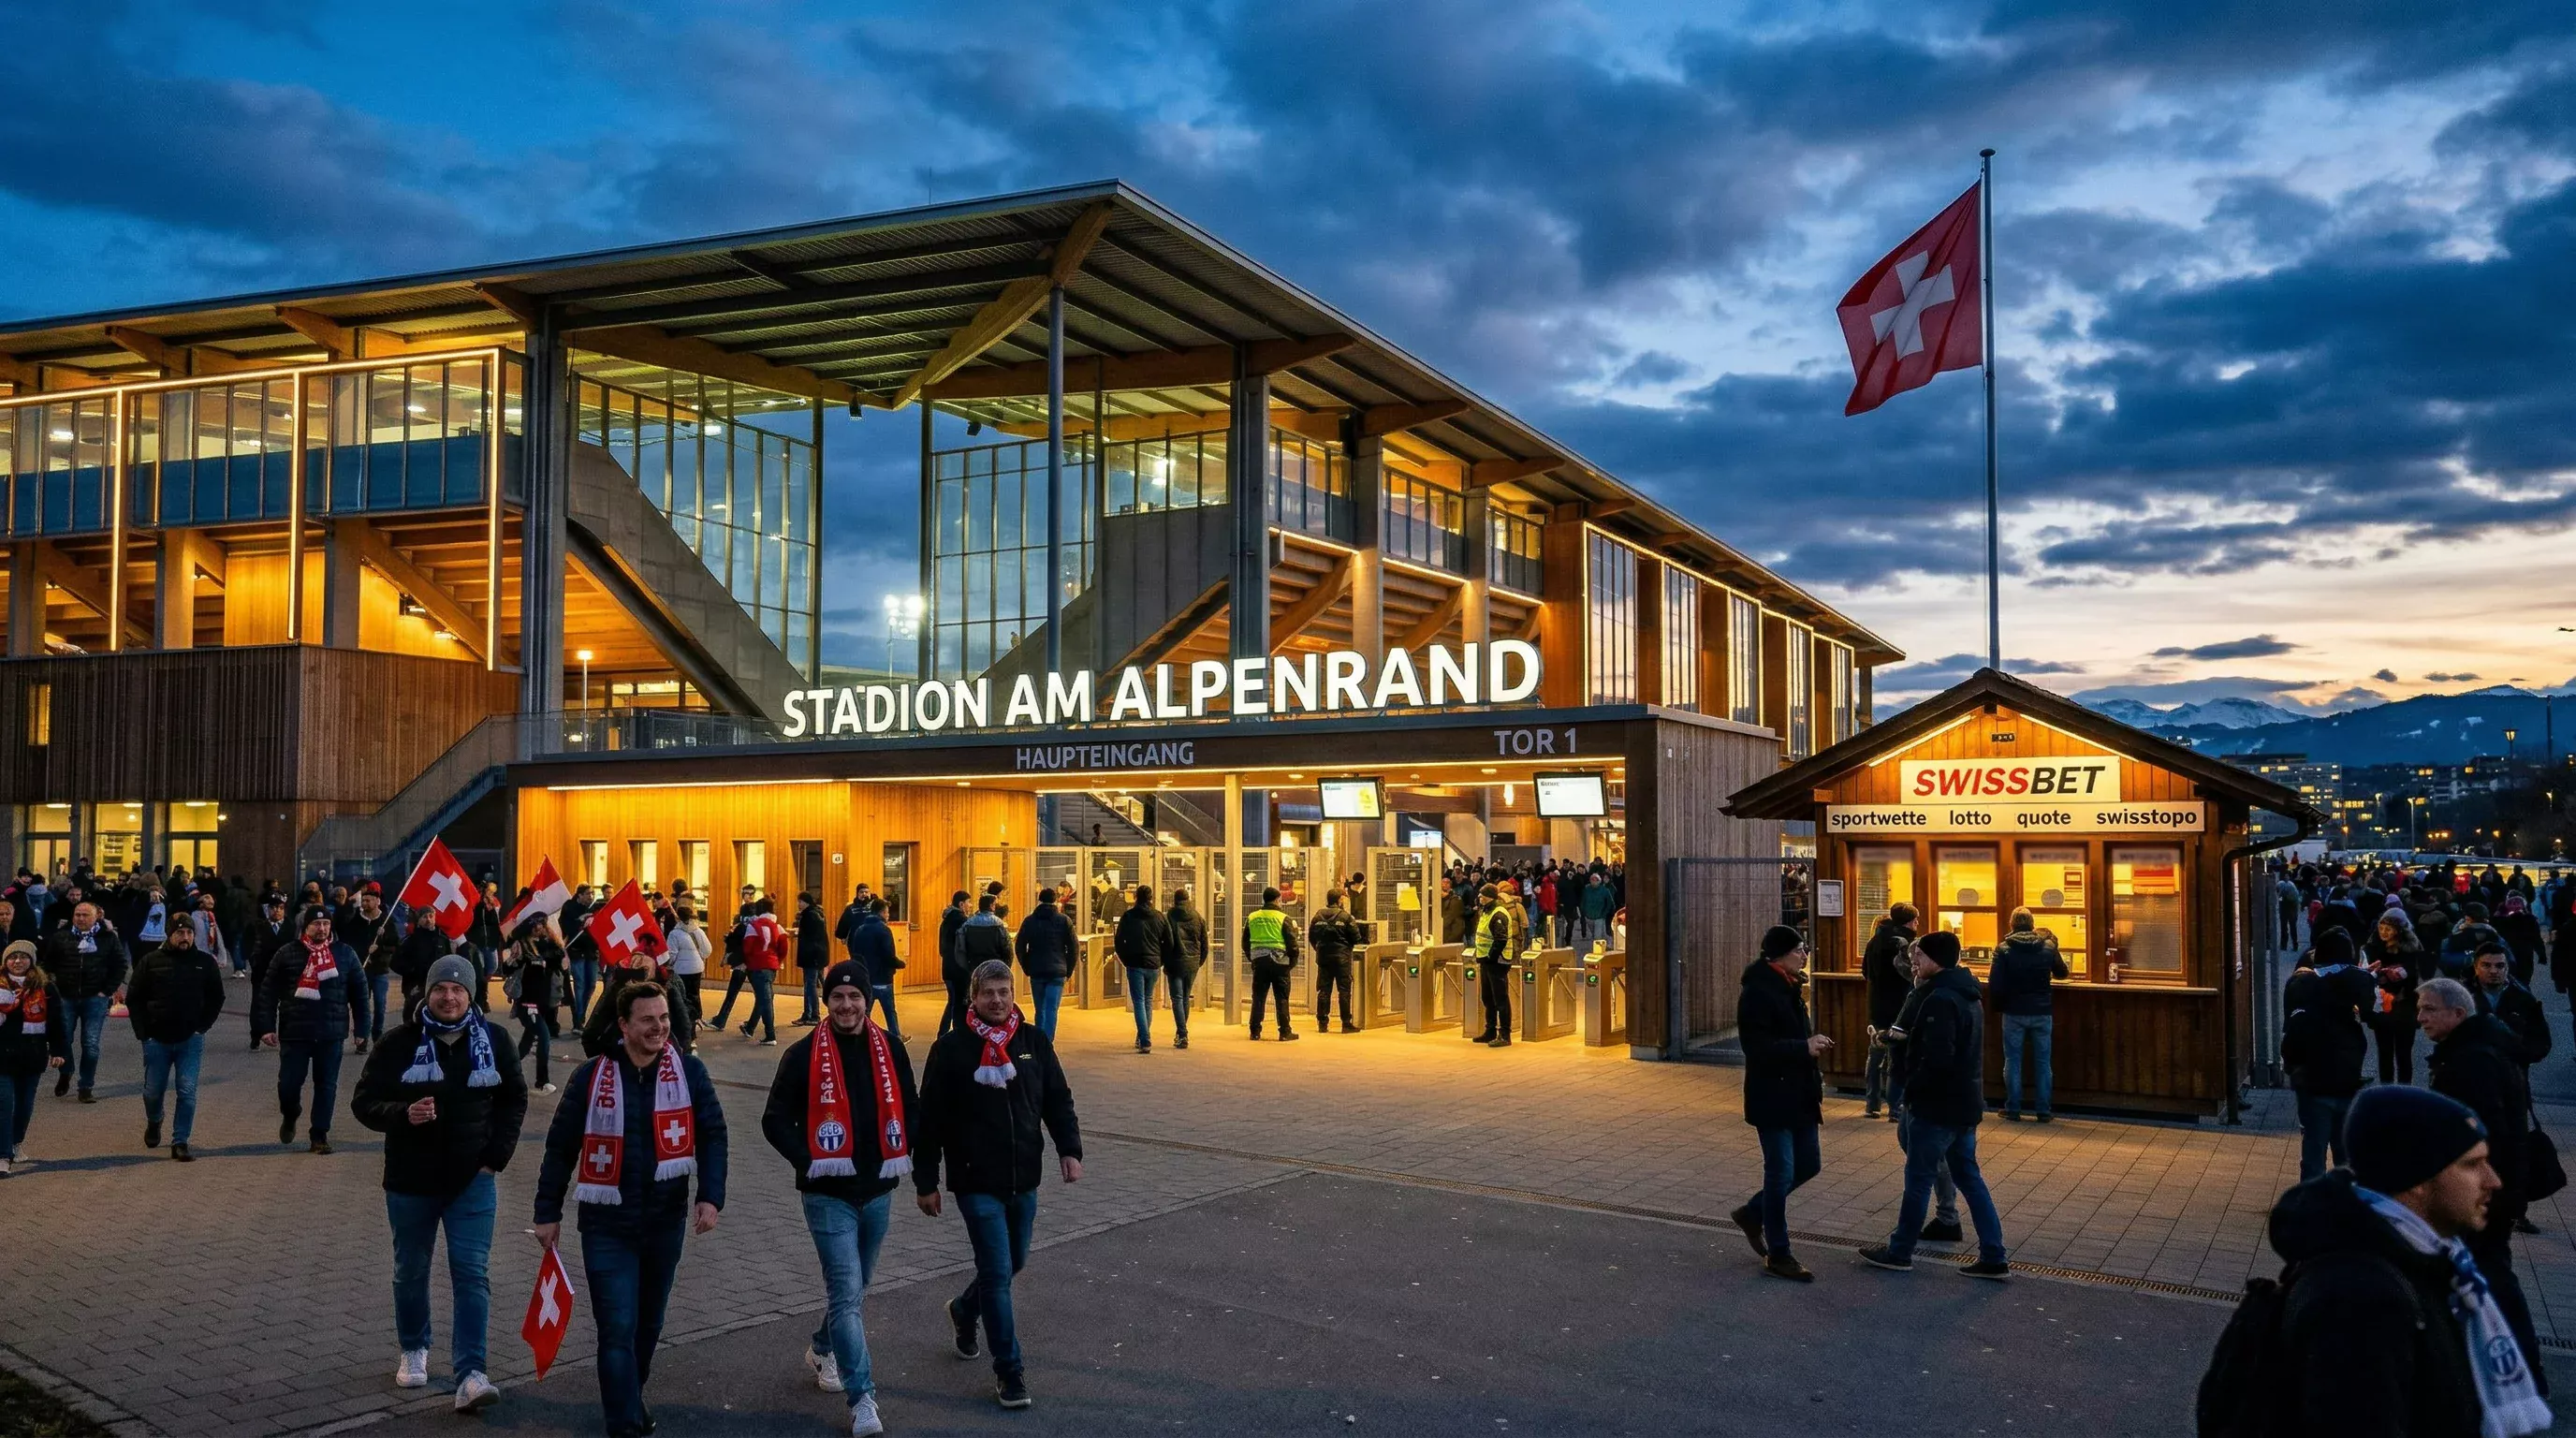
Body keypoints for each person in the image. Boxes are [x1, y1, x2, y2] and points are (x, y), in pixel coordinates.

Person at [2262, 1085, 2548, 1437]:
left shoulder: (2434, 1262)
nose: (2493, 1180)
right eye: (2472, 1165)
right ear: (2417, 1181)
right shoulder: (2361, 1301)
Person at [534, 982, 727, 1438]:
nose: (659, 1027)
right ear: (623, 1026)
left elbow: (714, 1134)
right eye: (647, 1020)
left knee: (648, 1324)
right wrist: (548, 1210)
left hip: (665, 1221)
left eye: (663, 1018)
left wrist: (710, 1195)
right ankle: (621, 1423)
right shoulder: (591, 1076)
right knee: (616, 1326)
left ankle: (628, 1395)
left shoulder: (690, 1073)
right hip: (607, 1223)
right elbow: (561, 1147)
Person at [352, 956, 528, 1412]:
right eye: (440, 989)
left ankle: (471, 1373)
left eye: (458, 990)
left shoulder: (495, 1040)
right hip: (410, 1181)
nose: (449, 997)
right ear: (427, 993)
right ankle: (414, 1348)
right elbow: (364, 1101)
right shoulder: (399, 1042)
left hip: (472, 1182)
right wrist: (401, 1114)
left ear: (471, 996)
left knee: (472, 1274)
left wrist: (496, 1158)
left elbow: (513, 1099)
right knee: (410, 1271)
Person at [913, 960, 1082, 1412]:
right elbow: (928, 1119)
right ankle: (1010, 1371)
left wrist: (1070, 1149)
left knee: (1013, 1264)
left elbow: (1056, 1099)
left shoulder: (1032, 1042)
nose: (997, 1000)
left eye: (1004, 991)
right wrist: (925, 1180)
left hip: (1023, 1177)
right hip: (975, 1180)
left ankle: (965, 1310)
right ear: (974, 996)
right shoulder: (951, 1049)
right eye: (988, 992)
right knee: (996, 1273)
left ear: (1013, 994)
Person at [762, 960, 919, 1437]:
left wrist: (912, 1156)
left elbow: (911, 1108)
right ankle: (862, 1399)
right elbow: (774, 1120)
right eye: (837, 997)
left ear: (867, 1000)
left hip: (878, 1191)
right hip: (827, 1195)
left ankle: (822, 1348)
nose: (847, 1005)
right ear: (826, 1001)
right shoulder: (804, 1053)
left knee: (857, 1287)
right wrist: (807, 1160)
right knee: (847, 1296)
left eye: (854, 997)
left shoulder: (890, 1046)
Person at [2418, 975, 2546, 1387]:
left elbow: (2479, 1134)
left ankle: (2519, 1370)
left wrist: (2465, 1187)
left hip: (2484, 1190)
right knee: (2489, 1273)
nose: (2420, 1018)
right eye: (2420, 1009)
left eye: (2429, 1009)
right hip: (2491, 1186)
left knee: (2492, 1275)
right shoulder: (2476, 1049)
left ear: (2458, 1013)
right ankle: (2509, 1366)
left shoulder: (2472, 1060)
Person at [1860, 932, 2009, 1278]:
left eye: (1920, 956)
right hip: (1964, 1103)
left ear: (1936, 960)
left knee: (1918, 1180)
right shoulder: (1967, 993)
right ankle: (1994, 1254)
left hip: (1935, 1106)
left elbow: (1936, 1057)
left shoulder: (1939, 999)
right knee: (1970, 1178)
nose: (1914, 961)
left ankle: (1900, 1251)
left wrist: (1911, 1087)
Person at [1729, 926, 1831, 1282]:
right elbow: (1756, 1049)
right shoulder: (1758, 992)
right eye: (1800, 949)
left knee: (1810, 1163)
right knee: (1781, 1171)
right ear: (1779, 955)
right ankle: (1780, 1252)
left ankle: (1752, 1212)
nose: (1805, 955)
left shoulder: (1790, 985)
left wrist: (1810, 1046)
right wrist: (1802, 1047)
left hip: (1799, 1092)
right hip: (1772, 1095)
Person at [261, 906, 370, 1154]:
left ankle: (319, 1135)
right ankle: (291, 1113)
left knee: (326, 1086)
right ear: (306, 926)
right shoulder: (288, 954)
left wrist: (362, 1029)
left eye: (326, 925)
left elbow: (360, 994)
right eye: (316, 924)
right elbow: (268, 992)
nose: (322, 929)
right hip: (295, 1032)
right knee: (288, 1084)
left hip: (331, 1033)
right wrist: (265, 1026)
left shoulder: (345, 954)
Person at [124, 916, 226, 1161]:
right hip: (156, 1040)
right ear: (169, 935)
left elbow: (216, 997)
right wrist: (144, 1033)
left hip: (190, 1039)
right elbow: (134, 997)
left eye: (189, 933)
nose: (185, 938)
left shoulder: (204, 962)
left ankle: (180, 1141)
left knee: (187, 1090)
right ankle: (155, 1120)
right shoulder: (151, 961)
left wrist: (203, 1027)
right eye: (180, 933)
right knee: (152, 1091)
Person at [2281, 936, 2369, 1182]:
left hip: (2314, 1086)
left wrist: (2295, 1072)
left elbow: (2290, 1045)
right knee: (2343, 1150)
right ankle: (2348, 1198)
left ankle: (2312, 1202)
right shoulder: (2349, 1013)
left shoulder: (2304, 1005)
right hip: (2344, 1086)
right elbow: (2360, 1046)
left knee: (2314, 1149)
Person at [40, 899, 128, 1103]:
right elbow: (47, 964)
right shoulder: (61, 937)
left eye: (85, 915)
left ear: (96, 916)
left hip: (94, 998)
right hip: (65, 997)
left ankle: (86, 1086)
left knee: (90, 1044)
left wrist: (106, 991)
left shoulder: (107, 938)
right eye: (77, 915)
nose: (80, 918)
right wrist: (52, 986)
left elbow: (120, 965)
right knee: (64, 1041)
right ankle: (66, 1071)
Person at [1990, 908, 2068, 1122]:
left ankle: (2013, 1108)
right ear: (2033, 924)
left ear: (2011, 924)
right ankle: (2043, 1111)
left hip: (2013, 1012)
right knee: (2043, 1062)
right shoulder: (2048, 946)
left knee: (2012, 1060)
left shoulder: (2003, 949)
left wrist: (1999, 1007)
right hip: (2042, 1011)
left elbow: (1995, 985)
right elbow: (2062, 972)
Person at [0, 940, 68, 1177]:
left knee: (24, 1106)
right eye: (12, 957)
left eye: (23, 957)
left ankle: (15, 1141)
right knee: (3, 1104)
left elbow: (58, 1022)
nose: (17, 961)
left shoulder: (46, 987)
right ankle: (3, 1156)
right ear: (5, 961)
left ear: (31, 961)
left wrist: (60, 1051)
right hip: (2, 1056)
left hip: (32, 1055)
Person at [1860, 902, 1917, 1120]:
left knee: (1875, 1055)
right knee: (1897, 1057)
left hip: (1877, 1004)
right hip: (1899, 1005)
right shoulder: (1903, 943)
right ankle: (1895, 1107)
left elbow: (1865, 971)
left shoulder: (1873, 941)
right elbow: (1910, 975)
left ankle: (1872, 1103)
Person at [505, 916, 566, 1094]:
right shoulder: (521, 946)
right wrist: (515, 960)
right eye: (538, 925)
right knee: (544, 1036)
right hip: (527, 1001)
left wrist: (553, 943)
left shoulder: (545, 945)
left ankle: (505, 1069)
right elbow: (508, 968)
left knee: (526, 1042)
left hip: (543, 1001)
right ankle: (542, 1081)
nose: (542, 928)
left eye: (543, 925)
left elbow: (558, 958)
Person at [340, 883, 400, 1053]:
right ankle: (362, 1038)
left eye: (369, 900)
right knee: (361, 1005)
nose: (365, 903)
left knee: (380, 1006)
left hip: (380, 970)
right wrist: (364, 949)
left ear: (377, 901)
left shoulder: (386, 921)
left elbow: (395, 944)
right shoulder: (356, 921)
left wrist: (382, 942)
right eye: (363, 900)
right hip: (361, 970)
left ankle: (377, 1037)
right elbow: (348, 943)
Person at [2471, 943, 2551, 1067]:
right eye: (2486, 965)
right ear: (2476, 968)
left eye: (2500, 966)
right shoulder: (2462, 997)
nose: (2493, 971)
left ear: (2507, 968)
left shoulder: (2524, 998)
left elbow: (2541, 1040)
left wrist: (2519, 1055)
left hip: (2512, 1077)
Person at [1111, 884, 1168, 1053]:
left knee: (1139, 1002)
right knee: (1148, 1001)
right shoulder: (1159, 917)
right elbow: (1168, 941)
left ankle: (1144, 1039)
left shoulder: (1128, 916)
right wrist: (1160, 960)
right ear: (1151, 898)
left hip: (1135, 964)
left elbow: (1119, 941)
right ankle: (1142, 1036)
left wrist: (1125, 959)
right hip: (1153, 965)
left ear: (1136, 897)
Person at [1242, 886, 1303, 1043]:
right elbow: (1292, 944)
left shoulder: (1252, 917)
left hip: (1260, 962)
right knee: (1282, 998)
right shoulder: (1283, 918)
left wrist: (1253, 958)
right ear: (1277, 900)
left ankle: (1255, 1031)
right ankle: (1284, 1032)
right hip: (1280, 963)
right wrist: (1291, 962)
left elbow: (1245, 942)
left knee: (1258, 997)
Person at [1012, 888, 1072, 1039]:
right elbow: (1073, 947)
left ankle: (1039, 1041)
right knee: (1052, 1009)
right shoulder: (1064, 921)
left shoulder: (1029, 921)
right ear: (1055, 900)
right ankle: (1048, 1042)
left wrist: (1027, 966)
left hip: (1037, 970)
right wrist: (1068, 969)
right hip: (1057, 971)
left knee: (1040, 1009)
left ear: (1039, 900)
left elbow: (1019, 946)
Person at [1308, 888, 1362, 1034]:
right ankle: (1346, 1023)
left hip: (1323, 958)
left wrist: (1320, 949)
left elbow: (1312, 937)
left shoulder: (1317, 916)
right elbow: (1356, 938)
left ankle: (1322, 1023)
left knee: (1323, 990)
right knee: (1344, 990)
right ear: (1339, 900)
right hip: (1342, 959)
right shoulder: (1346, 917)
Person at [242, 894, 293, 1049]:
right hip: (262, 972)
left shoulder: (291, 927)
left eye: (280, 908)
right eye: (273, 908)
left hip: (286, 973)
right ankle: (256, 1035)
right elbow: (247, 945)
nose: (276, 911)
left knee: (287, 1006)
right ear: (267, 909)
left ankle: (285, 1035)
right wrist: (253, 960)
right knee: (259, 1004)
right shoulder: (258, 926)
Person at [1470, 884, 1515, 1047]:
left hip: (1497, 962)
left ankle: (1505, 1034)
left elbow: (1501, 939)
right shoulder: (1486, 911)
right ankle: (1490, 1031)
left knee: (1500, 999)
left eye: (1482, 896)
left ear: (1490, 896)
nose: (1480, 898)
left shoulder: (1498, 913)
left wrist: (1492, 956)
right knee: (1488, 998)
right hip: (1486, 961)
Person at [734, 898, 785, 1046]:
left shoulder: (753, 926)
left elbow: (747, 948)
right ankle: (750, 1027)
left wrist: (748, 960)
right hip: (772, 966)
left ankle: (770, 1035)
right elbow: (784, 947)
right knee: (765, 997)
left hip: (757, 965)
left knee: (765, 1000)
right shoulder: (778, 926)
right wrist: (777, 960)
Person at [1162, 888, 1208, 1049]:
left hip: (1175, 962)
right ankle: (1181, 1032)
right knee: (1185, 997)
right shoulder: (1197, 917)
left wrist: (1165, 961)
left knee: (1177, 998)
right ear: (1189, 899)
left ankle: (1182, 1033)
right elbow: (1204, 943)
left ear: (1175, 900)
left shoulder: (1170, 916)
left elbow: (1166, 942)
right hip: (1192, 962)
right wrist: (1199, 961)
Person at [663, 904, 708, 1037]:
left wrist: (668, 964)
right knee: (694, 996)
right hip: (697, 968)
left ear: (678, 917)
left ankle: (686, 1029)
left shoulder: (674, 933)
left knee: (682, 999)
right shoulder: (698, 930)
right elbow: (707, 950)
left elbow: (671, 954)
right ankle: (694, 1022)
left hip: (682, 970)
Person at [794, 890, 832, 1027]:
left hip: (811, 956)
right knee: (814, 984)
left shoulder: (810, 916)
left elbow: (811, 938)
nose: (798, 904)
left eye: (800, 901)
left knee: (810, 985)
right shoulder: (817, 913)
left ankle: (813, 1015)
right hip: (819, 955)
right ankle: (809, 1014)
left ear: (806, 902)